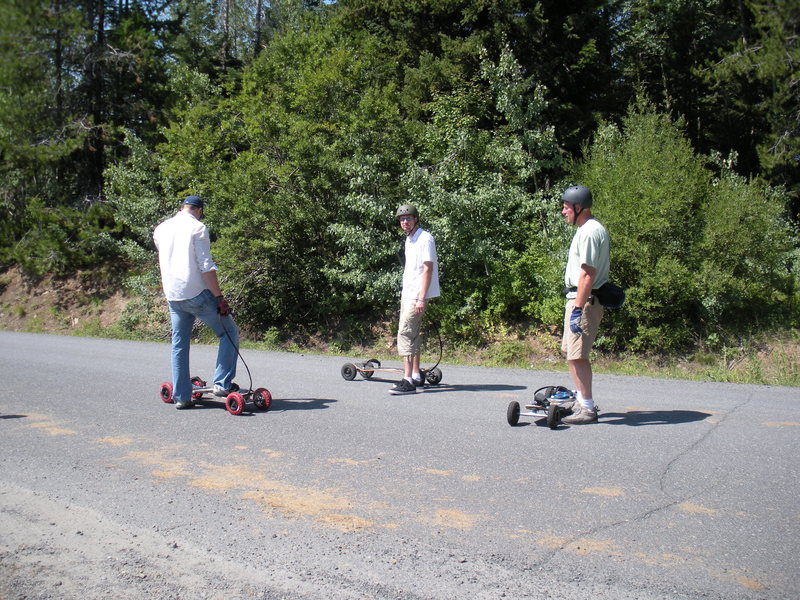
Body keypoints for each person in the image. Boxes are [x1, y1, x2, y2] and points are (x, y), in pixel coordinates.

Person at [153, 195, 239, 409]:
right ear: (199, 210)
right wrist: (219, 297)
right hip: (197, 294)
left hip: (173, 296)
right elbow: (206, 266)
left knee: (179, 345)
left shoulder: (161, 229)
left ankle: (182, 396)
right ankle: (222, 384)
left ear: (183, 207)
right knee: (228, 333)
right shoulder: (197, 228)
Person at [559, 185, 610, 424]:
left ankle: (587, 409)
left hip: (585, 300)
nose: (563, 211)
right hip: (578, 298)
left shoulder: (590, 232)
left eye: (567, 207)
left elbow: (588, 274)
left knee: (578, 355)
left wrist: (578, 309)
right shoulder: (586, 229)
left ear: (579, 208)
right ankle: (581, 400)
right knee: (571, 353)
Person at [390, 204, 440, 395]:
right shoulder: (409, 239)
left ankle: (407, 380)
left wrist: (421, 298)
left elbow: (428, 268)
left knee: (404, 334)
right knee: (414, 334)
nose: (405, 222)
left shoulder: (424, 238)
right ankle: (417, 376)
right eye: (402, 220)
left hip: (416, 295)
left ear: (416, 219)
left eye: (408, 219)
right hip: (408, 293)